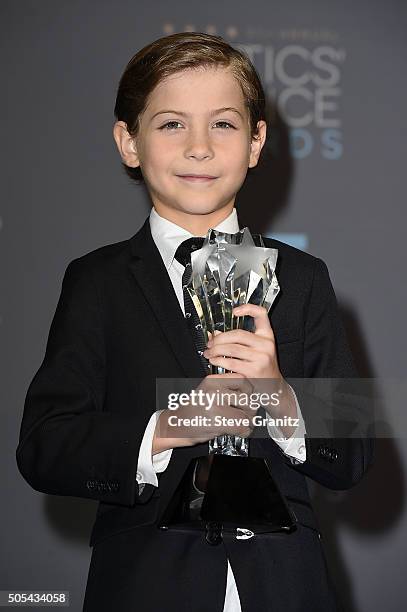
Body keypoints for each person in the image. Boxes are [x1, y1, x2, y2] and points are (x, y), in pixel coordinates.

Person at [16, 32, 374, 611]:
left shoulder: (304, 277)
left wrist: (280, 397)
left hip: (286, 586)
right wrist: (169, 425)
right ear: (128, 142)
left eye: (225, 125)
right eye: (171, 124)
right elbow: (45, 444)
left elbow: (354, 452)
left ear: (256, 143)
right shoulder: (97, 280)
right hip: (144, 585)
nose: (200, 148)